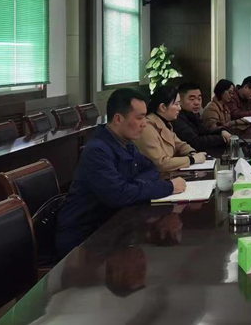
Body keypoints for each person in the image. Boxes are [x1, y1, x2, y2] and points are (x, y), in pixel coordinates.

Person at [55, 88, 185, 258]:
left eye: (145, 117)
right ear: (118, 119)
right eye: (139, 118)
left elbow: (151, 169)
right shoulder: (97, 151)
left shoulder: (126, 143)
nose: (144, 123)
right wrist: (168, 187)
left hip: (113, 227)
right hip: (84, 239)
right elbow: (119, 195)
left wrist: (133, 186)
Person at [137, 85, 207, 178]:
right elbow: (161, 163)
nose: (179, 108)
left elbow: (180, 145)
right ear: (163, 107)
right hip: (157, 179)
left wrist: (191, 152)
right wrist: (192, 159)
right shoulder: (147, 128)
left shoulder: (165, 123)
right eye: (176, 104)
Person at [172, 82, 232, 151]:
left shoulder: (193, 114)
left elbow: (205, 131)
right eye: (192, 99)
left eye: (199, 98)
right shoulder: (176, 118)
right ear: (180, 101)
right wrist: (222, 138)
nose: (197, 103)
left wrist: (221, 131)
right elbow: (196, 142)